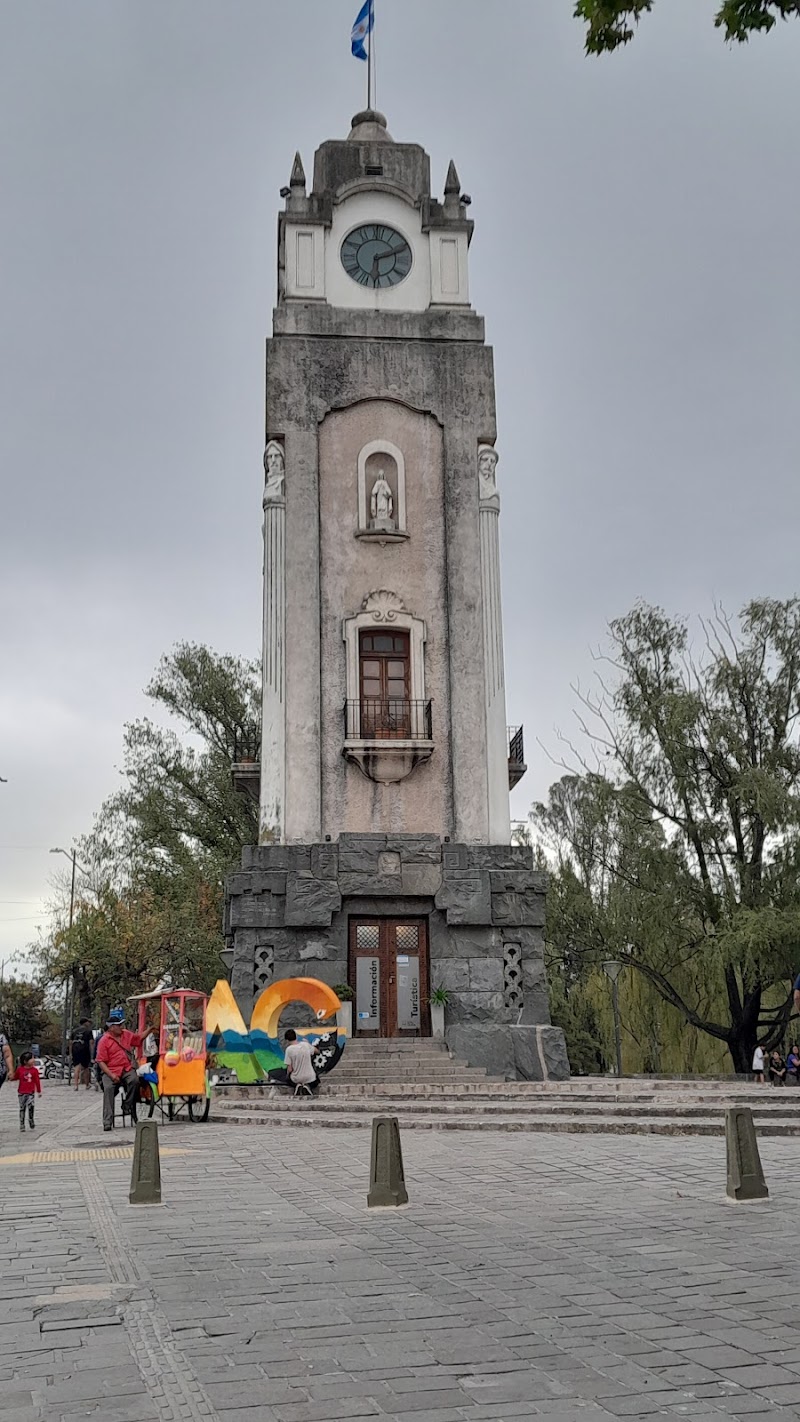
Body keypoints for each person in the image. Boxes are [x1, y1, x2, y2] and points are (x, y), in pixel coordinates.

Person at [95, 1011, 143, 1131]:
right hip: (110, 1070)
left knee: (135, 1080)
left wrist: (150, 1029)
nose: (122, 1027)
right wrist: (111, 1075)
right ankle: (107, 1120)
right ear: (111, 1027)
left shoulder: (126, 1034)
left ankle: (127, 1104)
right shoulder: (104, 1041)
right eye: (119, 1025)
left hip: (126, 1068)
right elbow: (101, 1061)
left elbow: (138, 1039)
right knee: (109, 1089)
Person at [17, 1051, 41, 1132]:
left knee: (31, 1106)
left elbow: (37, 1081)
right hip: (21, 1092)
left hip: (30, 1092)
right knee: (22, 1108)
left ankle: (31, 1120)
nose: (33, 1060)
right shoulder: (20, 1070)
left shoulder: (34, 1070)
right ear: (25, 1061)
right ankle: (22, 1123)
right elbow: (15, 1076)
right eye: (32, 1058)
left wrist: (39, 1091)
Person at [71, 1018, 93, 1091]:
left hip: (75, 1050)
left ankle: (76, 1085)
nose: (89, 1024)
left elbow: (70, 1042)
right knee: (86, 1067)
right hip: (85, 1050)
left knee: (76, 1067)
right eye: (88, 1022)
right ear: (85, 1023)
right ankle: (87, 1084)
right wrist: (92, 1052)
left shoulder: (74, 1031)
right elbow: (91, 1042)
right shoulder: (88, 1031)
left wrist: (71, 1052)